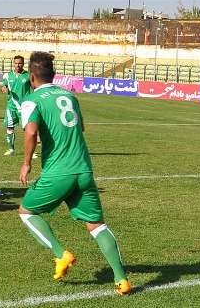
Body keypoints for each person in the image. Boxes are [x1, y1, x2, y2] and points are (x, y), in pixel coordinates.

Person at [18, 52, 131, 295]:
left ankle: (61, 254)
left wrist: (26, 163)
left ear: (31, 76)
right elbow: (81, 127)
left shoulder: (32, 99)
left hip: (59, 172)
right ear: (54, 74)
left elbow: (30, 132)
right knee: (97, 225)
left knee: (26, 212)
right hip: (83, 169)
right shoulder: (69, 95)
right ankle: (121, 279)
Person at [1, 55, 32, 156]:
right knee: (10, 127)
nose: (18, 65)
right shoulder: (8, 76)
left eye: (20, 63)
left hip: (24, 107)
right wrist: (4, 89)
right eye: (16, 63)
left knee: (28, 129)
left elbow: (35, 88)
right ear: (13, 64)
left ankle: (32, 152)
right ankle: (11, 149)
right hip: (11, 107)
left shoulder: (28, 75)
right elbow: (3, 86)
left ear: (23, 64)